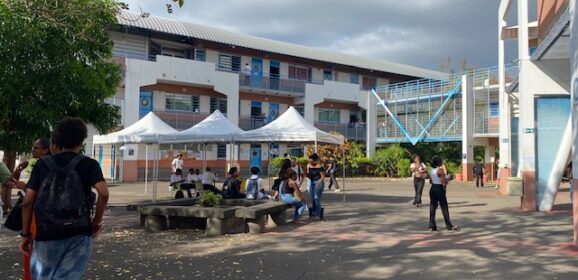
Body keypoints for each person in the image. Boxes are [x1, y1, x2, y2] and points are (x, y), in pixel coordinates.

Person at [20, 117, 109, 279]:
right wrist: (97, 220)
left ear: (58, 140)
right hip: (79, 231)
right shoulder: (89, 164)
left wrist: (26, 234)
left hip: (46, 232)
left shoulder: (42, 164)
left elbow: (28, 201)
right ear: (81, 140)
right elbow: (103, 193)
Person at [428, 156, 458, 231]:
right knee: (444, 208)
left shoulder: (431, 170)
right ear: (439, 163)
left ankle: (431, 226)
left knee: (432, 207)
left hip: (433, 188)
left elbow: (430, 181)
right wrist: (448, 178)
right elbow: (444, 182)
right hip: (439, 189)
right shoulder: (440, 170)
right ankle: (449, 226)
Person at [306, 153, 325, 220]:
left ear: (315, 160)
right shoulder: (309, 165)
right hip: (312, 182)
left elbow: (322, 177)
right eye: (309, 160)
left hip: (318, 182)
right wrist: (307, 169)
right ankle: (314, 212)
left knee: (316, 198)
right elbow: (308, 175)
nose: (310, 162)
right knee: (312, 198)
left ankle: (318, 214)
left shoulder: (319, 166)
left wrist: (319, 183)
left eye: (311, 161)